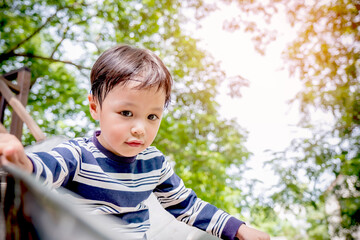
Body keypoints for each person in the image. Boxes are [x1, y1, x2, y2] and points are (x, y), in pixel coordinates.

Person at [0, 44, 270, 240]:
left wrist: (238, 228)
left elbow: (188, 205)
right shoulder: (77, 155)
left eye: (152, 116)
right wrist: (22, 162)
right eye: (126, 113)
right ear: (95, 108)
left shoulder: (154, 163)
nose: (140, 128)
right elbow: (46, 167)